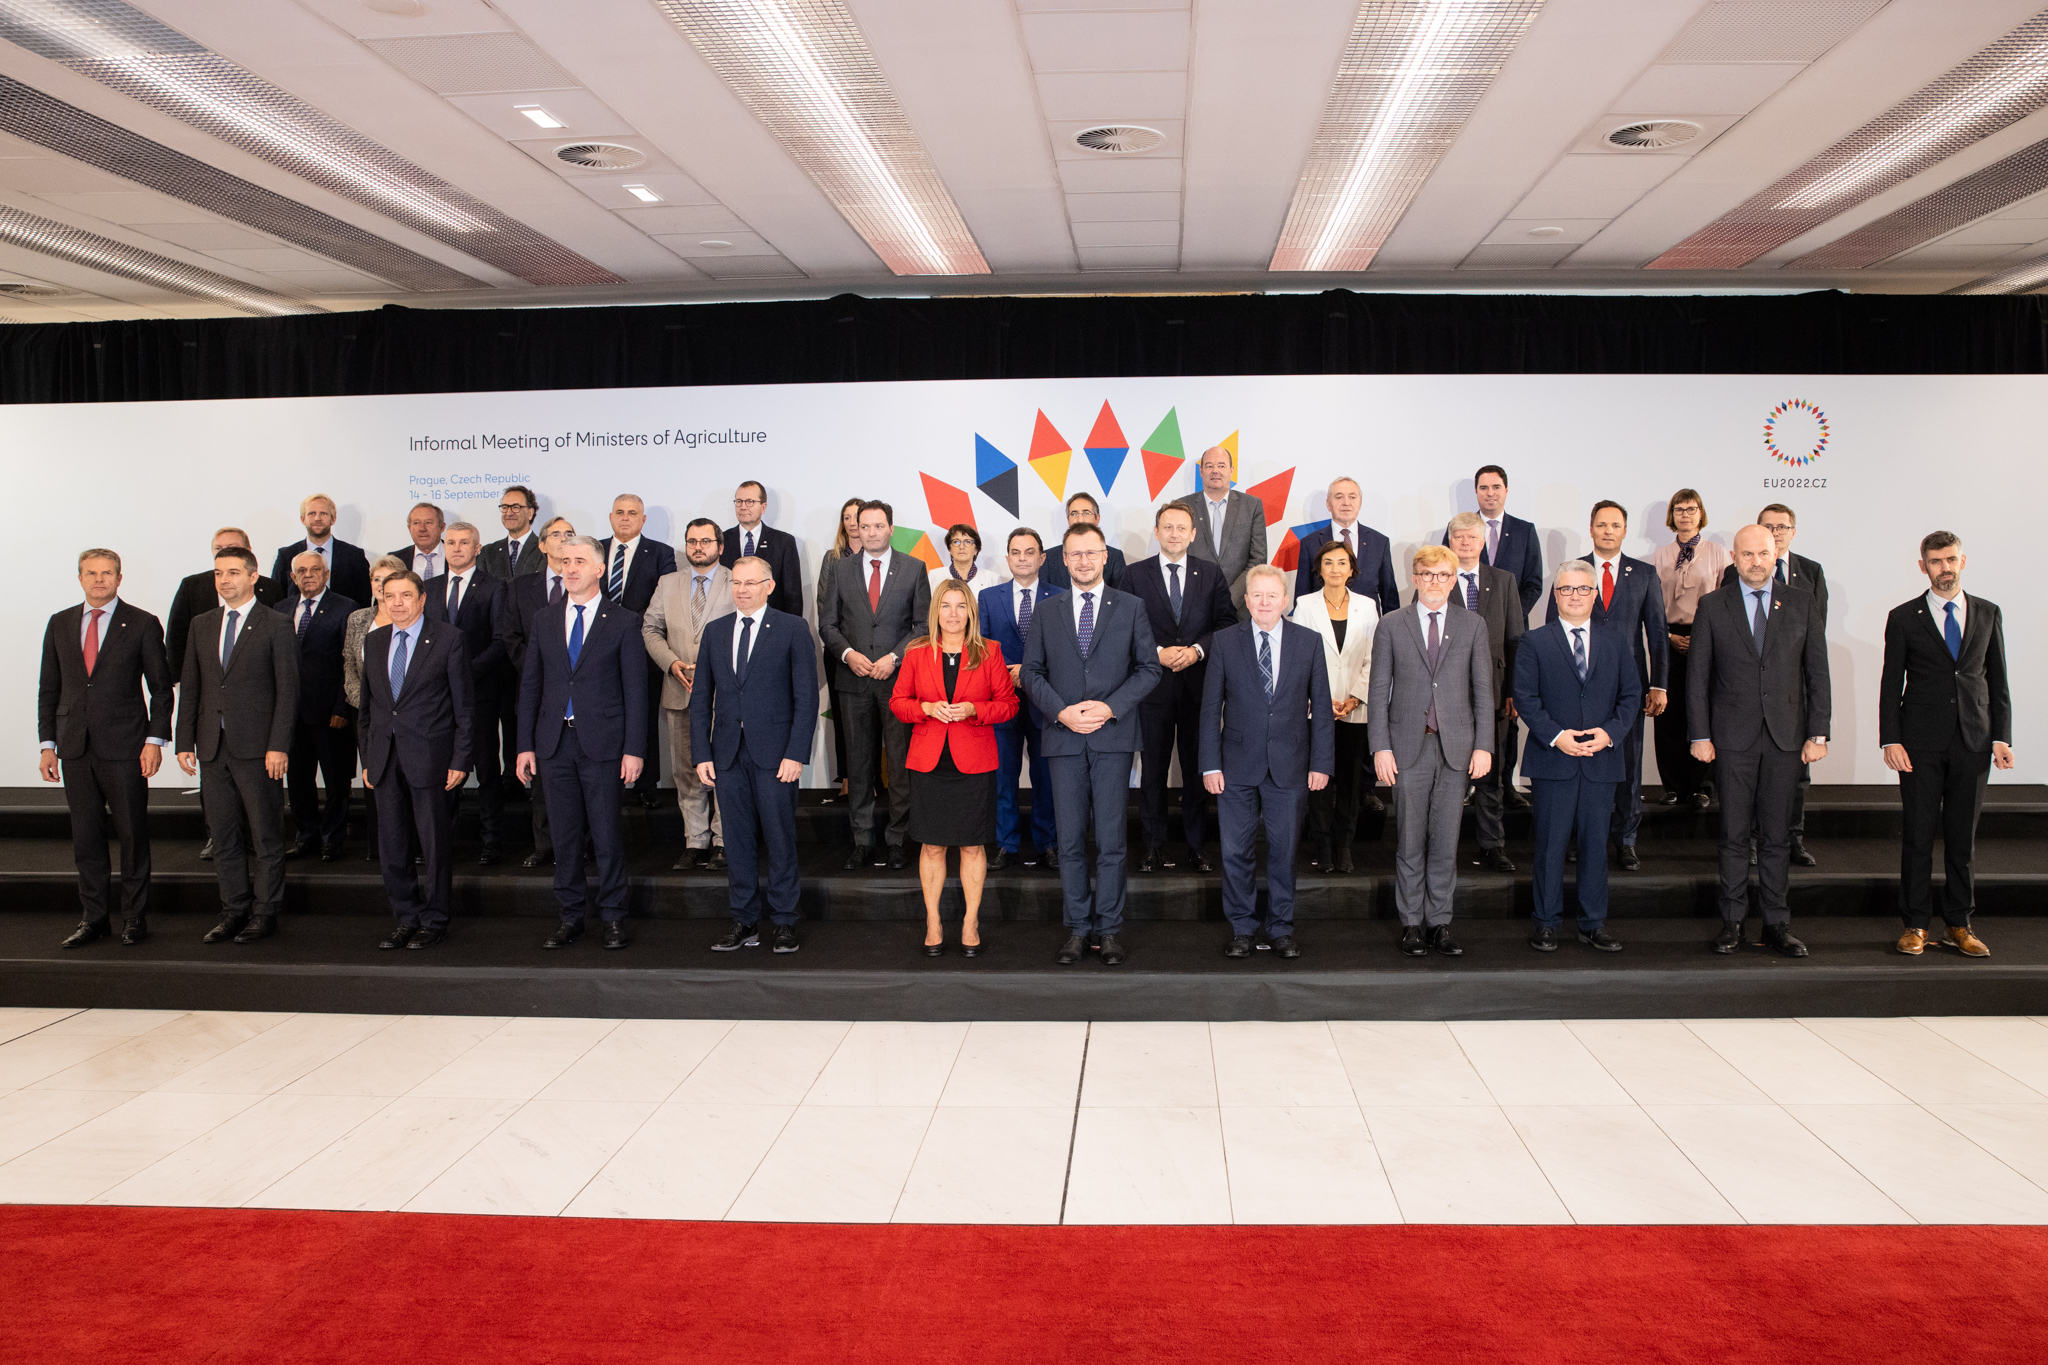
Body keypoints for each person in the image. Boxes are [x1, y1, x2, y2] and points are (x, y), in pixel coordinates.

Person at [1021, 523, 1161, 967]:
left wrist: (1110, 707)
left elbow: (1149, 669)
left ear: (1105, 557)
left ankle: (1110, 929)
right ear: (1063, 559)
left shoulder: (1131, 607)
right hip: (1063, 737)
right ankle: (1079, 929)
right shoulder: (1047, 611)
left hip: (1112, 737)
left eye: (1091, 552)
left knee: (1112, 840)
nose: (1083, 560)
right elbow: (1030, 672)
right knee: (1070, 841)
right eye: (1075, 553)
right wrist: (1061, 712)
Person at [1688, 525, 1830, 958]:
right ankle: (1732, 922)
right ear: (1734, 557)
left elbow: (1817, 673)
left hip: (1786, 739)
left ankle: (1776, 924)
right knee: (1733, 834)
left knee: (1776, 837)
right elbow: (1698, 676)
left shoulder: (1801, 602)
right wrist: (1700, 734)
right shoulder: (1713, 605)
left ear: (1775, 555)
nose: (1756, 562)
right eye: (1747, 554)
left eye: (1763, 553)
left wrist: (1818, 732)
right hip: (1731, 738)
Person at [1880, 531, 2011, 958]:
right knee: (1918, 837)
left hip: (1974, 742)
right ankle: (1915, 924)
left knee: (1961, 840)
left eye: (1951, 559)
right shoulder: (1903, 617)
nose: (1945, 568)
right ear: (1923, 567)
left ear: (1963, 561)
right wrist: (1890, 739)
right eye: (1936, 561)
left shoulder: (1988, 612)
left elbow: (1998, 681)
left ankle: (1959, 924)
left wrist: (2001, 737)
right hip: (1919, 744)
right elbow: (1890, 684)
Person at [516, 535, 648, 950]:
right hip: (554, 744)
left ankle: (613, 917)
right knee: (564, 837)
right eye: (565, 561)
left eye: (579, 561)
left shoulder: (624, 621)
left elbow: (636, 692)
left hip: (604, 745)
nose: (570, 568)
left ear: (599, 569)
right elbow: (531, 686)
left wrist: (634, 749)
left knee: (606, 836)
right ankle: (570, 917)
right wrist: (524, 745)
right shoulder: (544, 619)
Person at [41, 549, 172, 948]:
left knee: (132, 835)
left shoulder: (143, 623)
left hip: (127, 746)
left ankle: (134, 917)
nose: (99, 579)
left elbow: (161, 689)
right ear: (80, 578)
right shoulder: (60, 622)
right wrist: (47, 744)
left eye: (107, 573)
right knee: (86, 838)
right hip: (74, 747)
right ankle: (94, 918)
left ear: (119, 578)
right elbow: (49, 688)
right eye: (91, 573)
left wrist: (154, 740)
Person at [1200, 564, 1333, 959]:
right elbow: (1210, 708)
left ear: (1285, 600)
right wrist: (1210, 764)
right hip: (1235, 766)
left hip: (1291, 765)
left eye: (1271, 595)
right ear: (1246, 600)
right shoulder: (1225, 641)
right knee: (1235, 852)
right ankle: (1242, 928)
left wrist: (1321, 763)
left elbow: (1322, 709)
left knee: (1283, 851)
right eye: (1256, 595)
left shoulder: (1309, 642)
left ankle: (1280, 929)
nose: (1263, 602)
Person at [1369, 545, 1493, 958]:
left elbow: (1483, 691)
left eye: (1443, 575)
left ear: (1453, 579)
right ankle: (1411, 924)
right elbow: (1378, 691)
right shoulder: (1391, 624)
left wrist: (1484, 745)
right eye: (1427, 574)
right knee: (1410, 839)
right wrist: (1380, 747)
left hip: (1456, 748)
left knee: (1445, 840)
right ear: (1415, 578)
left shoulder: (1472, 625)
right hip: (1408, 747)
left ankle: (1439, 922)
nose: (1435, 581)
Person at [1514, 561, 1640, 953]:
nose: (1575, 596)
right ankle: (1546, 922)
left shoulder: (1616, 642)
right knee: (1550, 847)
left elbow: (1631, 695)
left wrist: (1610, 733)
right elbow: (1525, 697)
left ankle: (1592, 923)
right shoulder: (1534, 641)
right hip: (1554, 759)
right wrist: (1556, 736)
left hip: (1601, 760)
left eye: (1583, 589)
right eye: (1566, 589)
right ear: (1555, 595)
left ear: (1594, 595)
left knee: (1595, 847)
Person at [175, 544, 298, 944]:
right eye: (218, 573)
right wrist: (184, 740)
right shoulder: (202, 624)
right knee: (224, 837)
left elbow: (288, 691)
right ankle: (233, 910)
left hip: (259, 748)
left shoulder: (276, 624)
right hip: (212, 747)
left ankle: (265, 912)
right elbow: (191, 686)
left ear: (252, 576)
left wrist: (279, 745)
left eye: (232, 572)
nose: (224, 580)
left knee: (265, 835)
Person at [695, 555, 818, 955]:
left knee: (780, 839)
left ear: (769, 586)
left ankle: (783, 920)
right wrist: (701, 753)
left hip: (776, 756)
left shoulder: (792, 628)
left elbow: (806, 698)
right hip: (727, 755)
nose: (742, 590)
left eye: (750, 583)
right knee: (736, 841)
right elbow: (701, 700)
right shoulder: (715, 631)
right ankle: (744, 919)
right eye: (736, 583)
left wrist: (796, 753)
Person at [890, 582, 1019, 956]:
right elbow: (898, 702)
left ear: (971, 613)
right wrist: (926, 709)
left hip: (974, 762)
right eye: (945, 606)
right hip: (929, 762)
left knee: (972, 845)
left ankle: (970, 921)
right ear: (935, 612)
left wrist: (975, 709)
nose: (952, 613)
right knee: (931, 845)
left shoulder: (989, 652)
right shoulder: (916, 653)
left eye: (961, 606)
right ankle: (933, 922)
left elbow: (1009, 704)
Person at [1548, 500, 1667, 870]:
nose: (1608, 531)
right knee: (1579, 761)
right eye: (1601, 524)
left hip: (1628, 687)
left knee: (1629, 765)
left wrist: (1659, 684)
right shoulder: (1572, 572)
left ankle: (1626, 840)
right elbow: (1553, 630)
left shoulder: (1645, 574)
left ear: (1625, 531)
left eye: (1615, 525)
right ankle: (1579, 838)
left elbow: (1657, 633)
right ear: (1591, 528)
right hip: (1577, 683)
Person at [358, 571, 473, 949]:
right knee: (392, 845)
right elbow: (368, 708)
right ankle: (406, 917)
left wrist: (460, 759)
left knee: (434, 845)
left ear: (422, 599)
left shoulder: (448, 639)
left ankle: (435, 919)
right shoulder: (374, 641)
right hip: (384, 759)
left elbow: (464, 708)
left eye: (405, 595)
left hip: (431, 758)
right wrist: (367, 757)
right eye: (389, 595)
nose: (397, 603)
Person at [818, 499, 930, 870]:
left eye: (878, 526)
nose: (870, 532)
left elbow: (923, 626)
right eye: (864, 526)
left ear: (891, 529)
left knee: (899, 767)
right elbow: (827, 624)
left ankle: (897, 840)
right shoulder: (840, 568)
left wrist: (894, 657)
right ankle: (863, 841)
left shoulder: (913, 568)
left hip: (898, 683)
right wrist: (848, 654)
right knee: (859, 766)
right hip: (853, 682)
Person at [1124, 502, 1234, 872]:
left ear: (1193, 534)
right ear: (1156, 532)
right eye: (1167, 527)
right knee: (1153, 772)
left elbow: (1226, 623)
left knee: (1196, 771)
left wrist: (1197, 650)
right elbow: (1124, 626)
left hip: (1198, 688)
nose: (1174, 534)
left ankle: (1196, 846)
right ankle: (1153, 846)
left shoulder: (1211, 573)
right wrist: (1156, 652)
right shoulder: (1134, 574)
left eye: (1181, 527)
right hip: (1152, 688)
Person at [1721, 503, 1829, 866]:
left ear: (1792, 533)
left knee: (1795, 779)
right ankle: (1753, 840)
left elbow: (1815, 638)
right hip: (1746, 703)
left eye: (1782, 527)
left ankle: (1793, 837)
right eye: (1769, 526)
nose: (1776, 532)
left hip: (1791, 699)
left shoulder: (1810, 572)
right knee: (1748, 784)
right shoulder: (1733, 574)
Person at [645, 518, 733, 870]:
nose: (698, 547)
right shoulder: (668, 583)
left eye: (706, 541)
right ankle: (695, 841)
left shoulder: (736, 580)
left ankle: (724, 842)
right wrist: (670, 663)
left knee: (725, 769)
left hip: (725, 694)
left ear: (720, 546)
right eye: (692, 541)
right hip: (679, 689)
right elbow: (650, 628)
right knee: (686, 771)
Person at [423, 522, 510, 864]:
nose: (456, 548)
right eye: (451, 543)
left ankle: (492, 839)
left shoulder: (494, 587)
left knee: (486, 769)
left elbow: (501, 641)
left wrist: (463, 675)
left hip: (480, 693)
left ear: (477, 549)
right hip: (437, 698)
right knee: (442, 770)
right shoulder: (427, 588)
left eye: (464, 543)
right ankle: (443, 839)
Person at [978, 528, 1064, 870]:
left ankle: (1048, 844)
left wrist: (1028, 672)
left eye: (1030, 552)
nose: (1022, 558)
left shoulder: (1060, 596)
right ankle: (1006, 843)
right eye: (1016, 552)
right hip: (1003, 700)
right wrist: (1007, 673)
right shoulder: (988, 597)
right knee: (1004, 777)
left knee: (1046, 778)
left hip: (1045, 701)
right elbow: (982, 648)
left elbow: (1065, 651)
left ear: (1042, 558)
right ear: (1008, 558)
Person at [1290, 539, 1376, 873]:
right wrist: (1320, 700)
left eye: (1342, 562)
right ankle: (1323, 846)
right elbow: (1299, 657)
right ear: (1319, 569)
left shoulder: (1367, 606)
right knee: (1319, 781)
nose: (1335, 569)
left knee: (1351, 784)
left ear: (1352, 568)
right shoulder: (1305, 604)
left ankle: (1343, 846)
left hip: (1355, 708)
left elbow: (1374, 658)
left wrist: (1354, 698)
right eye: (1328, 563)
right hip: (1316, 709)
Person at [1445, 512, 1523, 873]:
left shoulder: (1503, 581)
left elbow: (1515, 639)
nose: (1465, 542)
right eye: (1458, 536)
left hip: (1494, 693)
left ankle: (1493, 845)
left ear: (1482, 542)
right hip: (1448, 697)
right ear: (1450, 541)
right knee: (1450, 776)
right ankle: (1444, 848)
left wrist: (1513, 691)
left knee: (1491, 774)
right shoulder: (1437, 578)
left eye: (1471, 537)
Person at [501, 517, 576, 867]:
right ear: (542, 545)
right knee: (542, 776)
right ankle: (545, 844)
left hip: (577, 697)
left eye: (569, 534)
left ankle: (580, 844)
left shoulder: (587, 583)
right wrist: (539, 671)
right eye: (555, 534)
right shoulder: (520, 587)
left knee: (578, 773)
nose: (563, 539)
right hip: (536, 694)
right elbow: (511, 637)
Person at [1650, 489, 1730, 811]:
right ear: (1672, 515)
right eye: (1679, 509)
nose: (1685, 514)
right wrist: (1669, 636)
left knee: (1704, 711)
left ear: (1701, 513)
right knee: (1669, 715)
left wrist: (1703, 637)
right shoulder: (1659, 556)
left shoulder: (1718, 553)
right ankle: (1673, 786)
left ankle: (1702, 786)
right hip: (1669, 637)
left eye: (1691, 508)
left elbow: (1727, 601)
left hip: (1707, 637)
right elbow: (1652, 606)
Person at [275, 551, 358, 862]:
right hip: (291, 713)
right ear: (292, 577)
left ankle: (333, 839)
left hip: (330, 713)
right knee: (298, 781)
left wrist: (341, 706)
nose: (308, 575)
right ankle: (306, 836)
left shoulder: (346, 608)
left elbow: (349, 662)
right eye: (301, 571)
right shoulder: (280, 609)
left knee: (336, 781)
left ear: (326, 574)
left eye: (314, 570)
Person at [597, 493, 676, 807]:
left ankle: (646, 784)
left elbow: (665, 601)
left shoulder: (660, 553)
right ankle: (607, 781)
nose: (625, 518)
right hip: (597, 652)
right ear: (610, 517)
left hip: (644, 649)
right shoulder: (593, 549)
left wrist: (629, 628)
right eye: (619, 512)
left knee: (643, 717)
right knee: (604, 718)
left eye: (632, 513)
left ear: (643, 520)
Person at [343, 555, 409, 864]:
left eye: (388, 579)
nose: (381, 585)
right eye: (376, 579)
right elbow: (349, 665)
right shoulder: (358, 619)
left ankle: (413, 846)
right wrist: (366, 703)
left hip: (407, 714)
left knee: (409, 777)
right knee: (375, 777)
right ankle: (379, 847)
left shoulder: (411, 617)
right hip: (368, 715)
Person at [167, 527, 285, 687]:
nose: (224, 552)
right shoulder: (192, 586)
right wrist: (179, 680)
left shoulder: (270, 588)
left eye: (232, 547)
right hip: (204, 683)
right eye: (218, 548)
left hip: (257, 684)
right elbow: (176, 636)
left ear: (249, 551)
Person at [1173, 445, 1267, 619]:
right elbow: (1176, 554)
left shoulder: (1252, 506)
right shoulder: (1182, 507)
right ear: (1201, 471)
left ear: (1231, 471)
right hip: (1194, 607)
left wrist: (1229, 600)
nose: (1215, 471)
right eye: (1209, 466)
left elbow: (1258, 559)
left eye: (1221, 466)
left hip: (1240, 609)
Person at [817, 497, 864, 802]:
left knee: (871, 721)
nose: (852, 522)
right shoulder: (832, 558)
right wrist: (843, 647)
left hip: (874, 654)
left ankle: (871, 779)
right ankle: (847, 777)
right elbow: (824, 604)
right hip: (840, 652)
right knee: (843, 719)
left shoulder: (879, 558)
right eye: (846, 517)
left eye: (856, 517)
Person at [1297, 476, 1400, 615]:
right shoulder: (1309, 543)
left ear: (1360, 503)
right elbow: (1302, 598)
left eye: (1352, 497)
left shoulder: (1379, 543)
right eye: (1339, 497)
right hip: (1322, 624)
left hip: (1367, 625)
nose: (1346, 503)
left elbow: (1390, 598)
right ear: (1328, 504)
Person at [270, 494, 371, 606]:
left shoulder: (354, 556)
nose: (317, 518)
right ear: (303, 519)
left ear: (333, 519)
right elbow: (276, 598)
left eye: (323, 513)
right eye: (312, 513)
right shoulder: (286, 556)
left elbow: (364, 602)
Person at [722, 480, 804, 617]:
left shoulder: (783, 542)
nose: (743, 507)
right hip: (730, 621)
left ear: (763, 507)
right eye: (739, 502)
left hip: (771, 622)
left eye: (749, 502)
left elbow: (792, 596)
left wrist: (791, 626)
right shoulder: (722, 540)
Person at [1040, 493, 1128, 590]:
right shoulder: (1048, 558)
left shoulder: (1115, 557)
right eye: (1074, 514)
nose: (1080, 519)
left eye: (1086, 513)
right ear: (1068, 519)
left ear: (1097, 518)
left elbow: (1120, 596)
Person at [480, 484, 545, 580]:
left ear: (530, 513)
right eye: (505, 507)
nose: (509, 513)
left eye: (515, 507)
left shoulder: (544, 549)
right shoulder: (488, 552)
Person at [929, 523, 1005, 595]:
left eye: (968, 542)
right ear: (950, 549)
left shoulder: (992, 579)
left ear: (976, 550)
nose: (961, 547)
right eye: (956, 542)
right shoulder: (934, 576)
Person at [389, 502, 446, 581]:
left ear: (442, 527)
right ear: (409, 529)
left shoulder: (458, 555)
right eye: (416, 523)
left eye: (428, 522)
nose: (422, 529)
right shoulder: (395, 559)